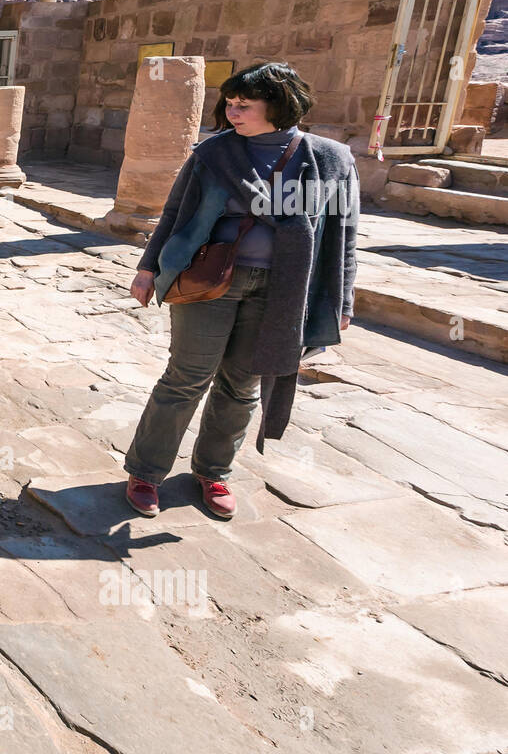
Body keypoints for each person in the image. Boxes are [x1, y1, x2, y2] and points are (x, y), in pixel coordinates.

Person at [123, 61, 358, 520]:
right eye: (229, 103)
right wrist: (148, 269)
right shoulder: (214, 153)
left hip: (283, 289)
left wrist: (342, 300)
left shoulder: (331, 158)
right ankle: (146, 472)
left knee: (243, 385)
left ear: (278, 105)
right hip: (209, 280)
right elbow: (175, 213)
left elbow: (344, 233)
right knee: (186, 377)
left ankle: (214, 471)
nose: (232, 112)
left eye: (243, 105)